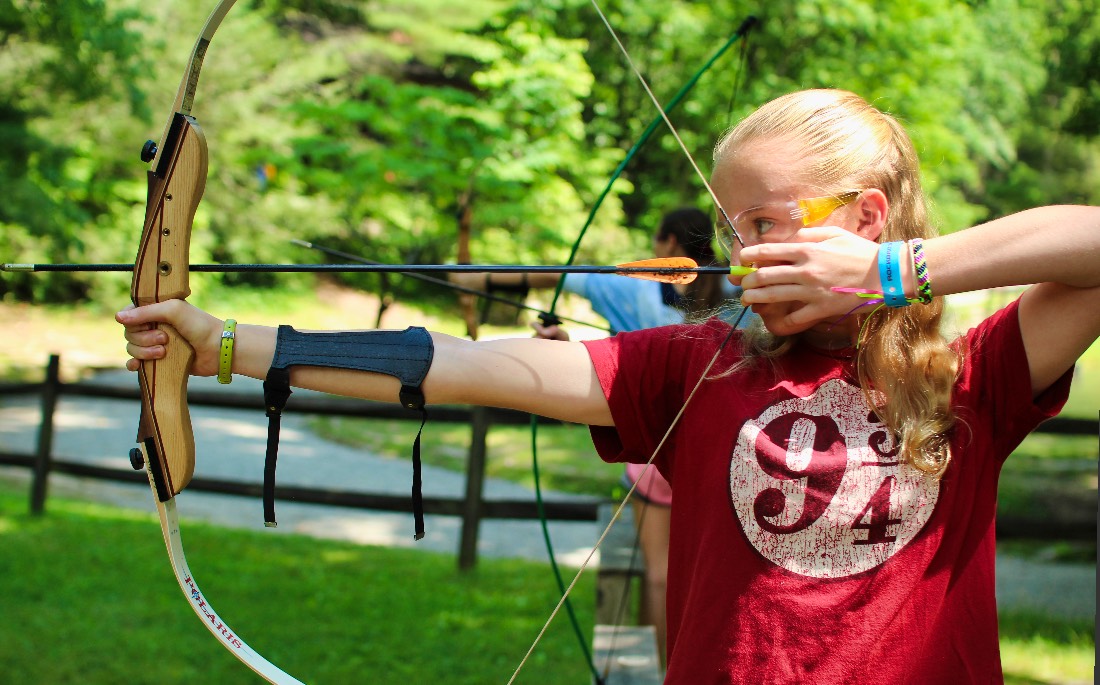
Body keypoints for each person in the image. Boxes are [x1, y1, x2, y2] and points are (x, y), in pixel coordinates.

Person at [118, 89, 1100, 682]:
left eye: (764, 223)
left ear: (865, 216)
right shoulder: (692, 363)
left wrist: (890, 275)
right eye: (729, 229)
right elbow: (464, 364)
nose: (739, 253)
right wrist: (229, 344)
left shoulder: (970, 372)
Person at [453, 206, 746, 664]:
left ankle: (670, 671)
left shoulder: (628, 285)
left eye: (657, 240)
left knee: (660, 577)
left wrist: (473, 280)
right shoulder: (744, 290)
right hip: (724, 453)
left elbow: (556, 276)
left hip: (655, 455)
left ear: (670, 244)